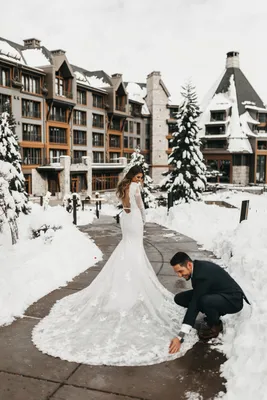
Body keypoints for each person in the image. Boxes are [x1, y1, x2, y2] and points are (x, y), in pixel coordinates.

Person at [32, 166, 191, 366]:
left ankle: (127, 281)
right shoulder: (134, 187)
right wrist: (142, 217)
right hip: (133, 220)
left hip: (127, 220)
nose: (140, 180)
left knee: (128, 247)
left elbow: (125, 205)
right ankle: (133, 282)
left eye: (142, 178)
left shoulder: (125, 186)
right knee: (133, 248)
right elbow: (139, 206)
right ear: (133, 176)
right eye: (138, 176)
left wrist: (130, 210)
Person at [169, 252, 249, 354]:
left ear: (189, 265)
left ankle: (216, 324)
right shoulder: (196, 267)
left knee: (204, 301)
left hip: (233, 300)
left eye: (180, 271)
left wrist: (180, 336)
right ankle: (212, 310)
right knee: (180, 298)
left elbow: (194, 304)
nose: (179, 275)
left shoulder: (202, 275)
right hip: (216, 292)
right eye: (177, 272)